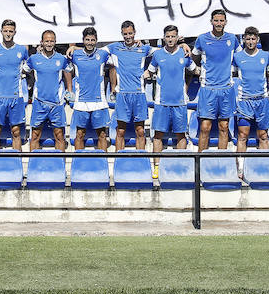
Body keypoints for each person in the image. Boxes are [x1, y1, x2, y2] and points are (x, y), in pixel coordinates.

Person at [146, 24, 197, 177]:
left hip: (180, 103)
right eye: (167, 36)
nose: (170, 39)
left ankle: (179, 165)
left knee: (181, 135)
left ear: (177, 37)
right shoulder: (157, 55)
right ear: (163, 38)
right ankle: (157, 166)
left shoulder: (185, 54)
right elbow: (149, 72)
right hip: (161, 103)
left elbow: (195, 70)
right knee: (158, 135)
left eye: (173, 36)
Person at [191, 10, 237, 151]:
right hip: (208, 89)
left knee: (223, 127)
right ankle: (200, 162)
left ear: (226, 22)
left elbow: (241, 57)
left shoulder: (232, 39)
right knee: (205, 127)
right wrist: (197, 70)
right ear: (211, 21)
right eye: (216, 20)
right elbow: (193, 58)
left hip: (226, 88)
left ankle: (221, 164)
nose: (219, 23)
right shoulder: (202, 39)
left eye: (221, 20)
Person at [23, 30, 73, 151]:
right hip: (39, 102)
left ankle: (61, 166)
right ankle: (33, 166)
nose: (49, 43)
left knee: (60, 136)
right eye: (47, 41)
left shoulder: (61, 59)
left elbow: (68, 72)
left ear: (55, 42)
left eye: (51, 41)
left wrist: (70, 90)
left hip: (56, 104)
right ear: (41, 42)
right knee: (35, 136)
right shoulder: (33, 59)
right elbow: (23, 70)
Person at [108, 21, 152, 151]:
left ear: (135, 33)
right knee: (120, 131)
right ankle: (118, 162)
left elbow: (164, 52)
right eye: (125, 34)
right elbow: (92, 48)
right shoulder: (114, 47)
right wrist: (74, 48)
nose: (128, 36)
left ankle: (141, 161)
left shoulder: (144, 48)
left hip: (139, 95)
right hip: (122, 95)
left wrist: (182, 44)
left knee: (140, 131)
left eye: (130, 33)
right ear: (122, 34)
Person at [70, 27, 116, 151]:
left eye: (92, 40)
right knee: (79, 134)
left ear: (96, 40)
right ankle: (78, 164)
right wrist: (69, 89)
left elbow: (112, 68)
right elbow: (66, 70)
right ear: (83, 40)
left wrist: (113, 87)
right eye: (87, 40)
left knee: (101, 135)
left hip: (99, 102)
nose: (90, 42)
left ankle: (103, 164)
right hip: (81, 102)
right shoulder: (74, 54)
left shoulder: (103, 54)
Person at [0, 20, 28, 151]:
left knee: (16, 132)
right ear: (1, 31)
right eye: (6, 31)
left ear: (15, 32)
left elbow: (28, 67)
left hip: (16, 96)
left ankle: (18, 162)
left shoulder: (22, 50)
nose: (8, 33)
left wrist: (19, 74)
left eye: (10, 31)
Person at [232, 26, 269, 152]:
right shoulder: (237, 57)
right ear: (244, 39)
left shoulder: (266, 56)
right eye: (248, 39)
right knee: (243, 136)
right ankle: (240, 168)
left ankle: (264, 167)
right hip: (245, 101)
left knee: (263, 136)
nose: (250, 42)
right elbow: (232, 75)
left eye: (253, 39)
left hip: (262, 100)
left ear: (258, 40)